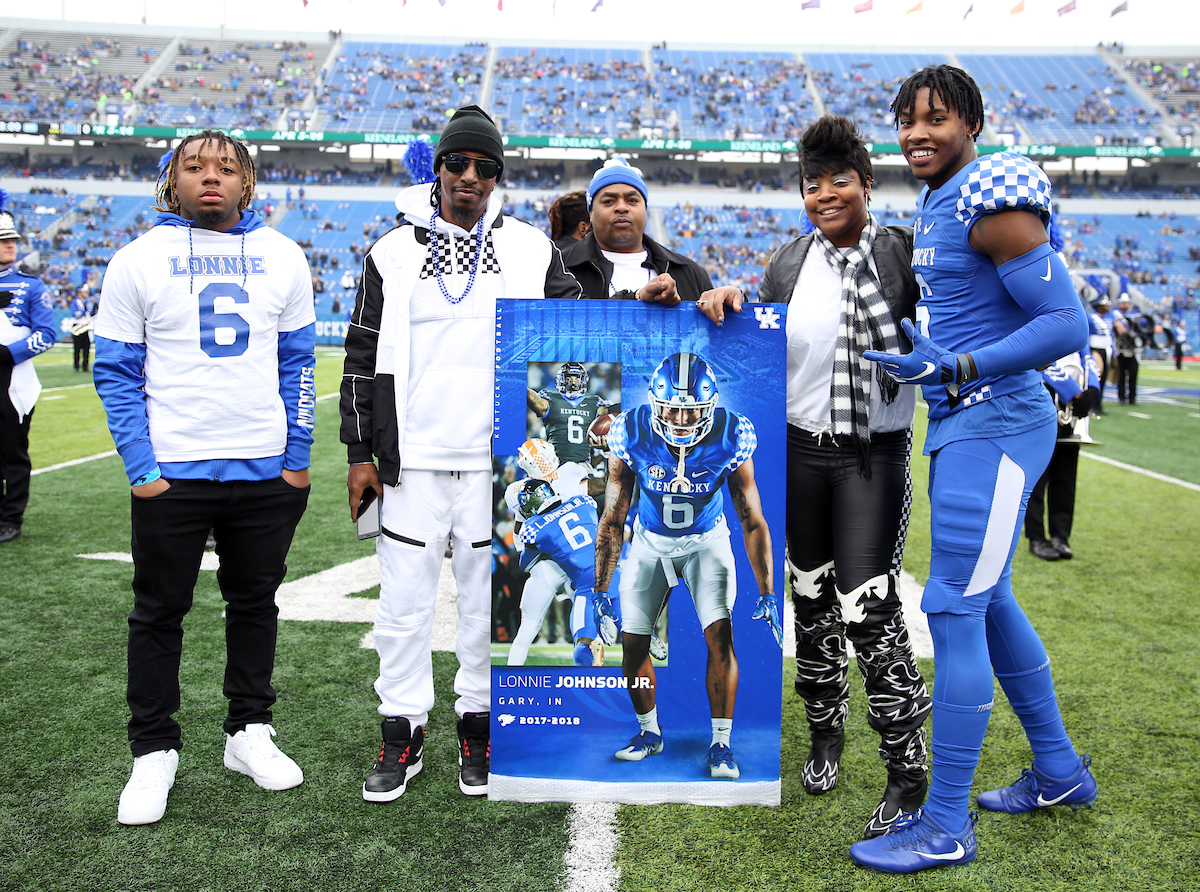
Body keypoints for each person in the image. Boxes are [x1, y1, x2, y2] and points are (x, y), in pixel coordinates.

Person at [847, 65, 1096, 874]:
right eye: (906, 121)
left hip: (995, 419)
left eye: (937, 119)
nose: (918, 133)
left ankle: (946, 822)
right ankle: (1058, 770)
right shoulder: (935, 195)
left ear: (973, 124)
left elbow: (1066, 321)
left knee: (954, 610)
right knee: (987, 606)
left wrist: (957, 367)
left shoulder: (992, 190)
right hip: (964, 423)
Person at [339, 105, 583, 803]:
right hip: (408, 465)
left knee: (486, 610)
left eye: (484, 166)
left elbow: (583, 330)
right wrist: (360, 453)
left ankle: (479, 726)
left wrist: (648, 301)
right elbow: (359, 357)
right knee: (403, 608)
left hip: (498, 466)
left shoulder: (534, 249)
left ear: (499, 175)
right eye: (457, 162)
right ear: (437, 168)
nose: (469, 176)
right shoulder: (390, 252)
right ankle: (403, 731)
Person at [94, 129, 316, 826]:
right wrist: (142, 469)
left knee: (255, 604)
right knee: (159, 611)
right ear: (171, 181)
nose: (210, 177)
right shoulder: (137, 259)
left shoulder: (283, 255)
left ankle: (248, 732)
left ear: (248, 183)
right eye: (194, 167)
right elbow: (116, 370)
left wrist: (296, 457)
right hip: (174, 471)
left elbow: (300, 365)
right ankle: (153, 749)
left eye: (226, 168)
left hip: (262, 469)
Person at [757, 115, 931, 839]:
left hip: (873, 453)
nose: (824, 194)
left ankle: (907, 770)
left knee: (870, 607)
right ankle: (825, 735)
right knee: (811, 602)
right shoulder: (785, 265)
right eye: (811, 183)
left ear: (866, 183)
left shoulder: (903, 254)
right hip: (800, 451)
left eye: (839, 180)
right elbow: (759, 356)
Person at [593, 351, 782, 781]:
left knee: (720, 637)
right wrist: (600, 591)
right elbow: (613, 517)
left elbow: (751, 519)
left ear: (710, 407)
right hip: (649, 540)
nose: (680, 420)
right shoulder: (631, 431)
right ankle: (648, 733)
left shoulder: (731, 434)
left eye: (692, 410)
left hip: (706, 540)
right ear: (656, 404)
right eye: (673, 408)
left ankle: (720, 743)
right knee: (633, 644)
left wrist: (769, 592)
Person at [561, 157, 737, 308]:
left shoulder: (689, 272)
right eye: (608, 201)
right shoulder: (561, 268)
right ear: (591, 213)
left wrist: (734, 302)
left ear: (645, 209)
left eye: (632, 200)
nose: (622, 207)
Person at [0, 200, 56, 545]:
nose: (10, 245)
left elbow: (47, 334)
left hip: (12, 378)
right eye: (3, 240)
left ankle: (11, 518)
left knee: (12, 454)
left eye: (12, 240)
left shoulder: (30, 286)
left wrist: (8, 353)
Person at [1025, 350, 1099, 562]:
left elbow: (1087, 358)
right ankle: (1036, 537)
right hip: (1044, 400)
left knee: (1066, 478)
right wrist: (1073, 392)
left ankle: (1061, 535)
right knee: (1038, 478)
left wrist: (1092, 389)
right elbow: (1041, 356)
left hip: (1071, 412)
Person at [527, 361, 609, 482]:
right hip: (555, 465)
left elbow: (615, 418)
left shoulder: (594, 404)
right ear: (561, 380)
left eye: (576, 377)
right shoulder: (551, 399)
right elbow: (533, 399)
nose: (573, 380)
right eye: (569, 377)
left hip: (583, 465)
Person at [1086, 295, 1112, 415]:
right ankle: (1092, 404)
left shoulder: (1106, 318)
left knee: (1104, 377)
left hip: (1105, 349)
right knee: (1095, 377)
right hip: (1095, 349)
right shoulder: (1091, 318)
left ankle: (1098, 404)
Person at [1112, 293, 1139, 405]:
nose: (1125, 305)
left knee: (1133, 374)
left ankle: (1132, 398)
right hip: (1120, 349)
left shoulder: (1135, 316)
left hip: (1132, 350)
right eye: (1123, 303)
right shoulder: (1114, 315)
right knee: (1121, 375)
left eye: (1126, 303)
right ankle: (1121, 397)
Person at [69, 288, 97, 372]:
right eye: (85, 292)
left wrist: (94, 307)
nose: (86, 293)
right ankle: (76, 366)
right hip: (78, 324)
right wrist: (83, 310)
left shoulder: (88, 302)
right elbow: (75, 314)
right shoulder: (75, 302)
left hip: (86, 325)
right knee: (77, 348)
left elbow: (91, 314)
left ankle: (85, 366)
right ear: (80, 293)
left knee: (86, 347)